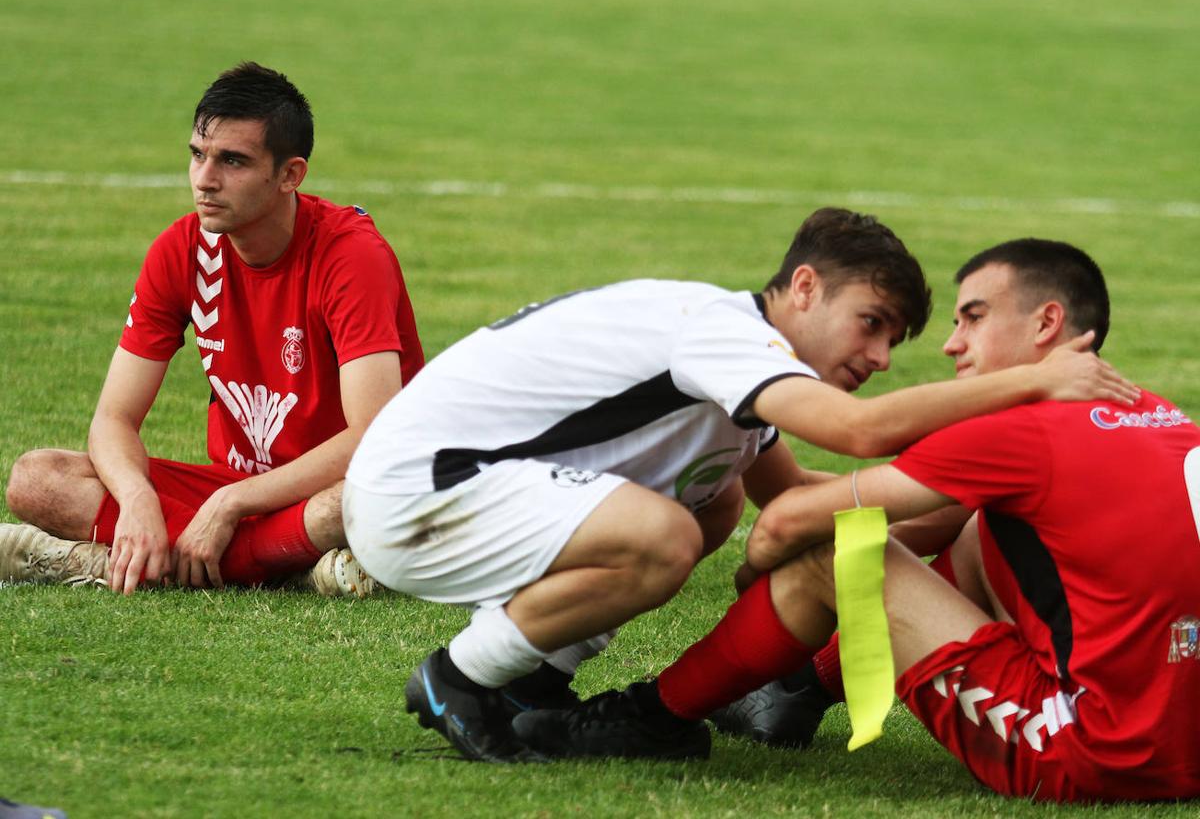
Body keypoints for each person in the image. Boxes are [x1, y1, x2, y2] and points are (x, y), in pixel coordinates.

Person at [343, 211, 1135, 763]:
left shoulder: (746, 371)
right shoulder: (724, 332)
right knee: (664, 536)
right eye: (872, 322)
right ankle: (459, 678)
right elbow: (858, 436)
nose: (884, 356)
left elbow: (788, 494)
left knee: (713, 500)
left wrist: (918, 505)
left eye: (895, 338)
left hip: (456, 485)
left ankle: (533, 680)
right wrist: (1036, 384)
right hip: (419, 491)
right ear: (804, 287)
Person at [513, 239, 1200, 803]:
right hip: (1183, 742)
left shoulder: (1018, 432)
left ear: (1047, 324)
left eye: (974, 317)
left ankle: (654, 716)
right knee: (965, 529)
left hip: (1095, 752)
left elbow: (792, 521)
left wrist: (766, 577)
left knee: (834, 553)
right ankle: (796, 691)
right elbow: (933, 525)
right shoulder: (1165, 417)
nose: (952, 345)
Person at [0, 62, 424, 597]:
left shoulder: (350, 255)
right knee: (36, 478)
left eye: (233, 161)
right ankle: (290, 569)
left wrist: (230, 505)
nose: (205, 179)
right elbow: (113, 418)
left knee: (359, 503)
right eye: (198, 155)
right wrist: (136, 500)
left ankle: (82, 560)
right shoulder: (180, 250)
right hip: (241, 487)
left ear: (290, 175)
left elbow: (372, 438)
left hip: (337, 485)